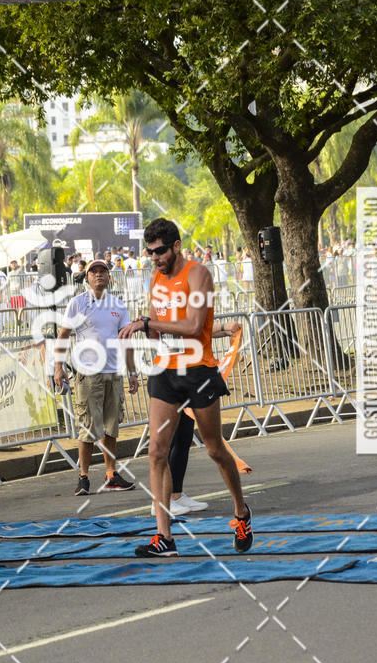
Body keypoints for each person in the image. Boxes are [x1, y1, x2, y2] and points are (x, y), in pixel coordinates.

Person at [119, 218, 253, 557]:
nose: (155, 258)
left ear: (176, 246)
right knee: (156, 451)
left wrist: (147, 322)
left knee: (214, 449)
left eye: (160, 251)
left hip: (198, 370)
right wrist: (140, 355)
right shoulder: (155, 278)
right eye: (150, 253)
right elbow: (154, 328)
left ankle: (241, 512)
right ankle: (164, 537)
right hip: (165, 371)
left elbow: (194, 326)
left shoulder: (198, 275)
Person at [54, 259, 139, 495]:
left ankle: (111, 474)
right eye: (94, 272)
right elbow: (63, 335)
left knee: (111, 427)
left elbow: (126, 340)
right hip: (88, 374)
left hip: (113, 373)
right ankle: (83, 476)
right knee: (89, 429)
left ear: (109, 277)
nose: (99, 275)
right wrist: (58, 367)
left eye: (103, 271)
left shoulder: (118, 305)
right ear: (87, 277)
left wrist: (132, 372)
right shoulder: (78, 303)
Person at [150, 320, 247, 516]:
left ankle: (176, 493)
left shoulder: (194, 299)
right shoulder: (169, 300)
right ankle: (161, 501)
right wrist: (219, 328)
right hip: (171, 373)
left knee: (187, 438)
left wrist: (223, 329)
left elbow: (197, 330)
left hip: (193, 373)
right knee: (165, 445)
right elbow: (189, 329)